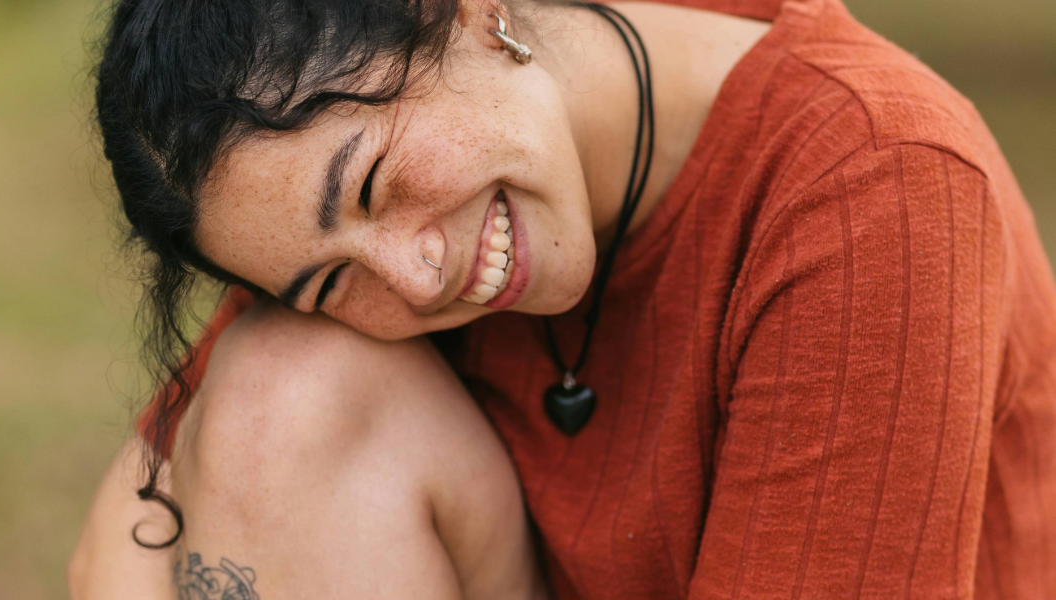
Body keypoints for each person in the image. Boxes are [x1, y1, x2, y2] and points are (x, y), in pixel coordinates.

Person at [70, 0, 1056, 597]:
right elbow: (125, 542)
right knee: (278, 391)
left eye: (370, 183)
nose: (416, 278)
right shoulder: (476, 131)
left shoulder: (867, 178)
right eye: (330, 281)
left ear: (465, 16)